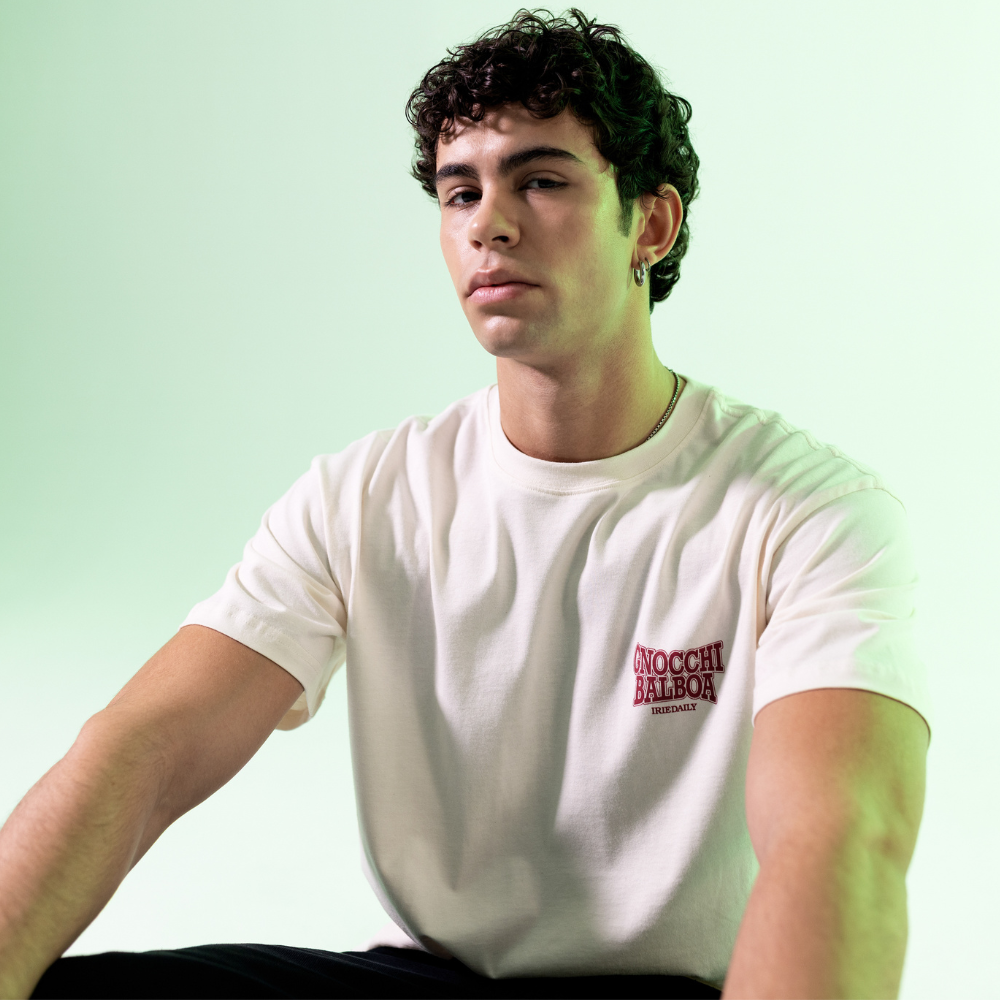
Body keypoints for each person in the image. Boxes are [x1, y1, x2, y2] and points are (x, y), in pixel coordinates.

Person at [0, 9, 930, 999]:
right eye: (460, 191)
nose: (489, 222)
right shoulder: (365, 494)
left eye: (541, 180)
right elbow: (142, 751)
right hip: (427, 981)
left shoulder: (809, 512)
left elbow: (840, 838)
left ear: (650, 226)